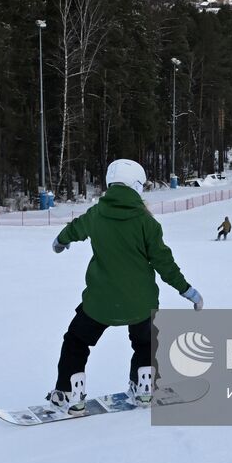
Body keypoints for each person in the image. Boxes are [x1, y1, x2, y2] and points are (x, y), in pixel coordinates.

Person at [46, 159, 202, 414]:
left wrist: (60, 241)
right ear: (137, 186)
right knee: (145, 342)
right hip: (141, 304)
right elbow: (164, 262)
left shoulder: (96, 214)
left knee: (76, 341)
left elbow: (75, 229)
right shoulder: (147, 222)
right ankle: (144, 388)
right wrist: (187, 290)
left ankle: (69, 393)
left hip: (100, 303)